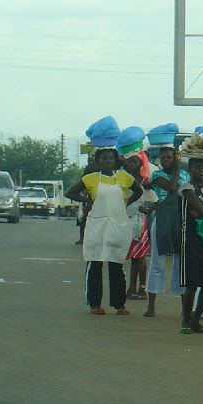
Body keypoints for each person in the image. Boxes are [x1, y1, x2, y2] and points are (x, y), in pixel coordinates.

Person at [65, 131, 144, 316]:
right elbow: (70, 192)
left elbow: (139, 191)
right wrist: (86, 200)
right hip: (97, 227)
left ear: (115, 161)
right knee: (95, 264)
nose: (108, 161)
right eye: (104, 159)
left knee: (116, 264)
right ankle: (95, 304)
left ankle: (119, 305)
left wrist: (126, 202)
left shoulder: (124, 177)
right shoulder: (90, 179)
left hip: (117, 225)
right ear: (98, 162)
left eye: (111, 158)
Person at [175, 136, 203, 334]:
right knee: (192, 284)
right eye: (197, 167)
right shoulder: (187, 188)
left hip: (202, 240)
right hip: (189, 240)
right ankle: (186, 321)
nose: (201, 171)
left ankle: (194, 320)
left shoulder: (200, 189)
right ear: (189, 169)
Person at [143, 124, 185, 318]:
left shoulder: (185, 174)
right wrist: (177, 169)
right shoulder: (157, 175)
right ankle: (151, 305)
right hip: (161, 220)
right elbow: (172, 187)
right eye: (163, 157)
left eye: (169, 157)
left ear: (175, 157)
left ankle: (184, 305)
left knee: (179, 263)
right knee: (157, 263)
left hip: (179, 220)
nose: (165, 160)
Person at [122, 151, 154, 300]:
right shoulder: (124, 180)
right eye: (129, 162)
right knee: (134, 257)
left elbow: (154, 200)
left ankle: (142, 288)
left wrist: (146, 208)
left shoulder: (144, 181)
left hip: (139, 221)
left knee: (140, 256)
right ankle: (132, 287)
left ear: (141, 164)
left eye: (135, 162)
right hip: (126, 219)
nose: (132, 164)